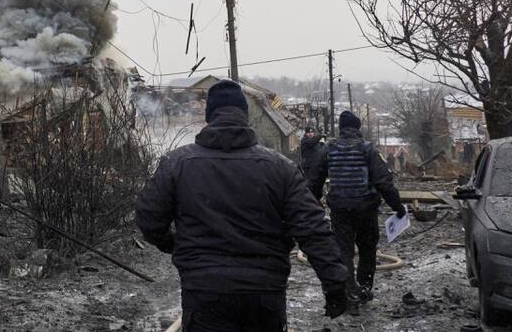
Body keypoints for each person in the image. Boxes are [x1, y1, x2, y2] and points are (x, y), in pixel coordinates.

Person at [136, 80, 349, 331]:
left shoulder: (177, 163)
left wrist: (174, 245)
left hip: (205, 291)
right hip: (264, 294)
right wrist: (334, 283)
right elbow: (312, 229)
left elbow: (149, 218)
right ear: (245, 116)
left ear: (209, 116)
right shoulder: (280, 168)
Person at [308, 110, 406, 306]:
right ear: (358, 128)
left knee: (344, 250)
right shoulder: (368, 149)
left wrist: (312, 204)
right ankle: (364, 287)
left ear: (341, 128)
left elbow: (315, 180)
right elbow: (383, 182)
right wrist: (398, 207)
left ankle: (350, 291)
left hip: (340, 209)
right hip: (366, 208)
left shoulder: (328, 149)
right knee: (367, 248)